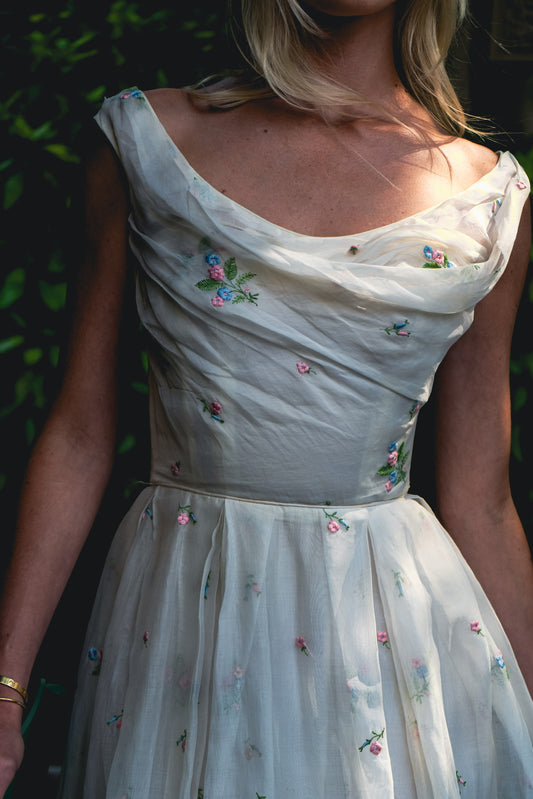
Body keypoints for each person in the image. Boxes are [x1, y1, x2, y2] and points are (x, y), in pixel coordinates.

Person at [1, 0, 533, 795]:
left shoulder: (486, 200)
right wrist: (5, 686)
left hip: (391, 634)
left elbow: (480, 497)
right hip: (186, 607)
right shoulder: (148, 142)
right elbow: (80, 430)